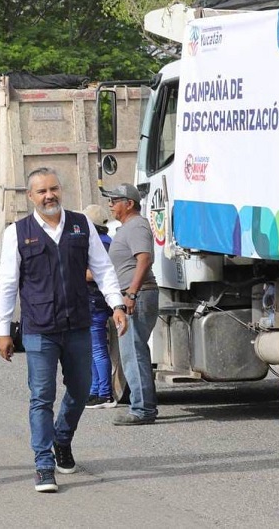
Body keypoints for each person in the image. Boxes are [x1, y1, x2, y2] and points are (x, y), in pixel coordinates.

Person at [0, 167, 129, 493]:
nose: (48, 195)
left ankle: (62, 438)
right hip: (39, 328)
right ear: (31, 196)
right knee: (41, 396)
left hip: (77, 325)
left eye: (53, 189)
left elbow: (102, 267)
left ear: (61, 190)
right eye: (41, 191)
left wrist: (117, 304)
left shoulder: (81, 226)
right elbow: (8, 283)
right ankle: (43, 464)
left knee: (82, 390)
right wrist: (2, 329)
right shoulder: (17, 232)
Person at [102, 183, 160, 426]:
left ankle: (142, 409)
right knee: (134, 352)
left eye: (115, 200)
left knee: (132, 353)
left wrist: (132, 294)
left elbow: (145, 258)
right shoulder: (126, 228)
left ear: (129, 204)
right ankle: (143, 405)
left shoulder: (136, 225)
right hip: (132, 294)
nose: (111, 204)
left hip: (138, 295)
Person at [80, 204, 116, 409]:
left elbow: (98, 273)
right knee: (92, 349)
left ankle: (104, 393)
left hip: (95, 300)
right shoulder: (106, 241)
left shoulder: (100, 244)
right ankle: (94, 390)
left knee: (97, 349)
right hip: (93, 300)